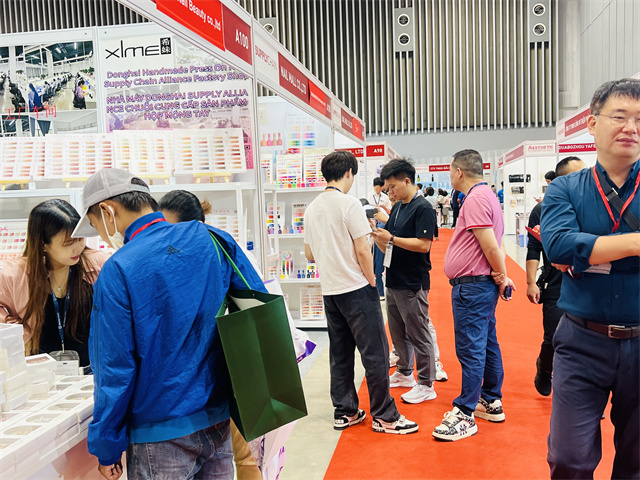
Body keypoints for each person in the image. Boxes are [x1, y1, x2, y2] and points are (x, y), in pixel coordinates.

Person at [71, 168, 265, 480]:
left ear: (108, 211)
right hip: (217, 419)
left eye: (95, 225)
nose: (102, 236)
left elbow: (115, 370)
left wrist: (107, 446)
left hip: (158, 432)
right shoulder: (214, 239)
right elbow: (257, 308)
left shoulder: (119, 269)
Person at [541, 78, 640, 479]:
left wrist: (592, 251)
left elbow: (574, 248)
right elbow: (559, 247)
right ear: (593, 123)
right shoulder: (565, 188)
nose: (631, 127)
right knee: (569, 458)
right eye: (620, 116)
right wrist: (635, 243)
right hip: (582, 341)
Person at [304, 151, 418, 434]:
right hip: (356, 288)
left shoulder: (312, 208)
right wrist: (372, 281)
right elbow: (362, 251)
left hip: (330, 291)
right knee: (375, 353)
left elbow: (309, 254)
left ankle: (345, 411)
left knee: (340, 354)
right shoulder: (349, 204)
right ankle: (385, 415)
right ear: (349, 174)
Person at [158, 189, 262, 480]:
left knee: (245, 453)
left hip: (224, 372)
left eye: (167, 227)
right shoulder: (219, 244)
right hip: (209, 380)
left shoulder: (218, 246)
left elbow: (255, 300)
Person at [433, 149, 515, 441]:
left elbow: (491, 245)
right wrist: (500, 275)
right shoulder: (484, 196)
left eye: (450, 170)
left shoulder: (476, 198)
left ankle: (465, 411)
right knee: (487, 342)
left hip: (473, 286)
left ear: (459, 172)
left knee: (471, 347)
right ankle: (490, 399)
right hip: (478, 284)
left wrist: (501, 275)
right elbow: (494, 244)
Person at [0, 199, 108, 367]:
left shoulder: (98, 265)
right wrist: (15, 329)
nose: (78, 248)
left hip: (92, 369)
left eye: (80, 239)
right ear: (43, 245)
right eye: (68, 243)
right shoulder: (16, 274)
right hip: (39, 370)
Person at [370, 158, 438, 404]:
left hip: (412, 281)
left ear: (407, 181)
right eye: (387, 187)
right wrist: (379, 236)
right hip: (393, 277)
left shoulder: (423, 208)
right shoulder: (398, 207)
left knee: (419, 332)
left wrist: (391, 239)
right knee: (398, 331)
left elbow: (423, 245)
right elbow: (392, 240)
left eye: (392, 187)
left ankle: (426, 383)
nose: (390, 192)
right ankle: (404, 372)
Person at [526, 156, 586, 397]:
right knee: (555, 336)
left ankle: (580, 391)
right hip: (555, 283)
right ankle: (545, 367)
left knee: (585, 340)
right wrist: (531, 282)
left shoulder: (590, 207)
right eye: (577, 175)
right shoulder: (542, 210)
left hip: (586, 283)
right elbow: (533, 249)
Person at [367, 177, 392, 299]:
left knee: (379, 262)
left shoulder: (385, 198)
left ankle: (381, 291)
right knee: (373, 263)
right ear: (373, 186)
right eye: (376, 188)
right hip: (371, 228)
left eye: (380, 188)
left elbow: (389, 212)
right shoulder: (368, 196)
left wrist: (384, 210)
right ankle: (377, 290)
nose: (378, 190)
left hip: (382, 228)